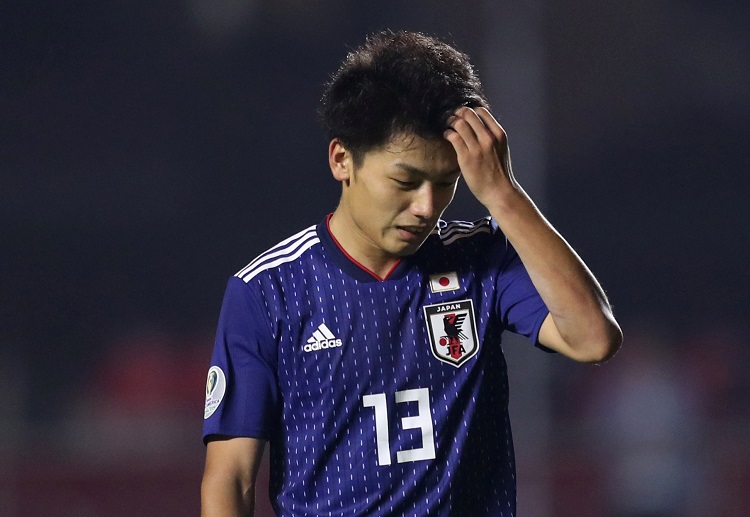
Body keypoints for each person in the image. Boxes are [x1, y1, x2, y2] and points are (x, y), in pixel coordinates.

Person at [200, 30, 622, 517]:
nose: (426, 207)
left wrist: (503, 194)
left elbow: (593, 339)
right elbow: (230, 477)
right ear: (342, 160)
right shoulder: (268, 291)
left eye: (446, 183)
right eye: (406, 181)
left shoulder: (481, 258)